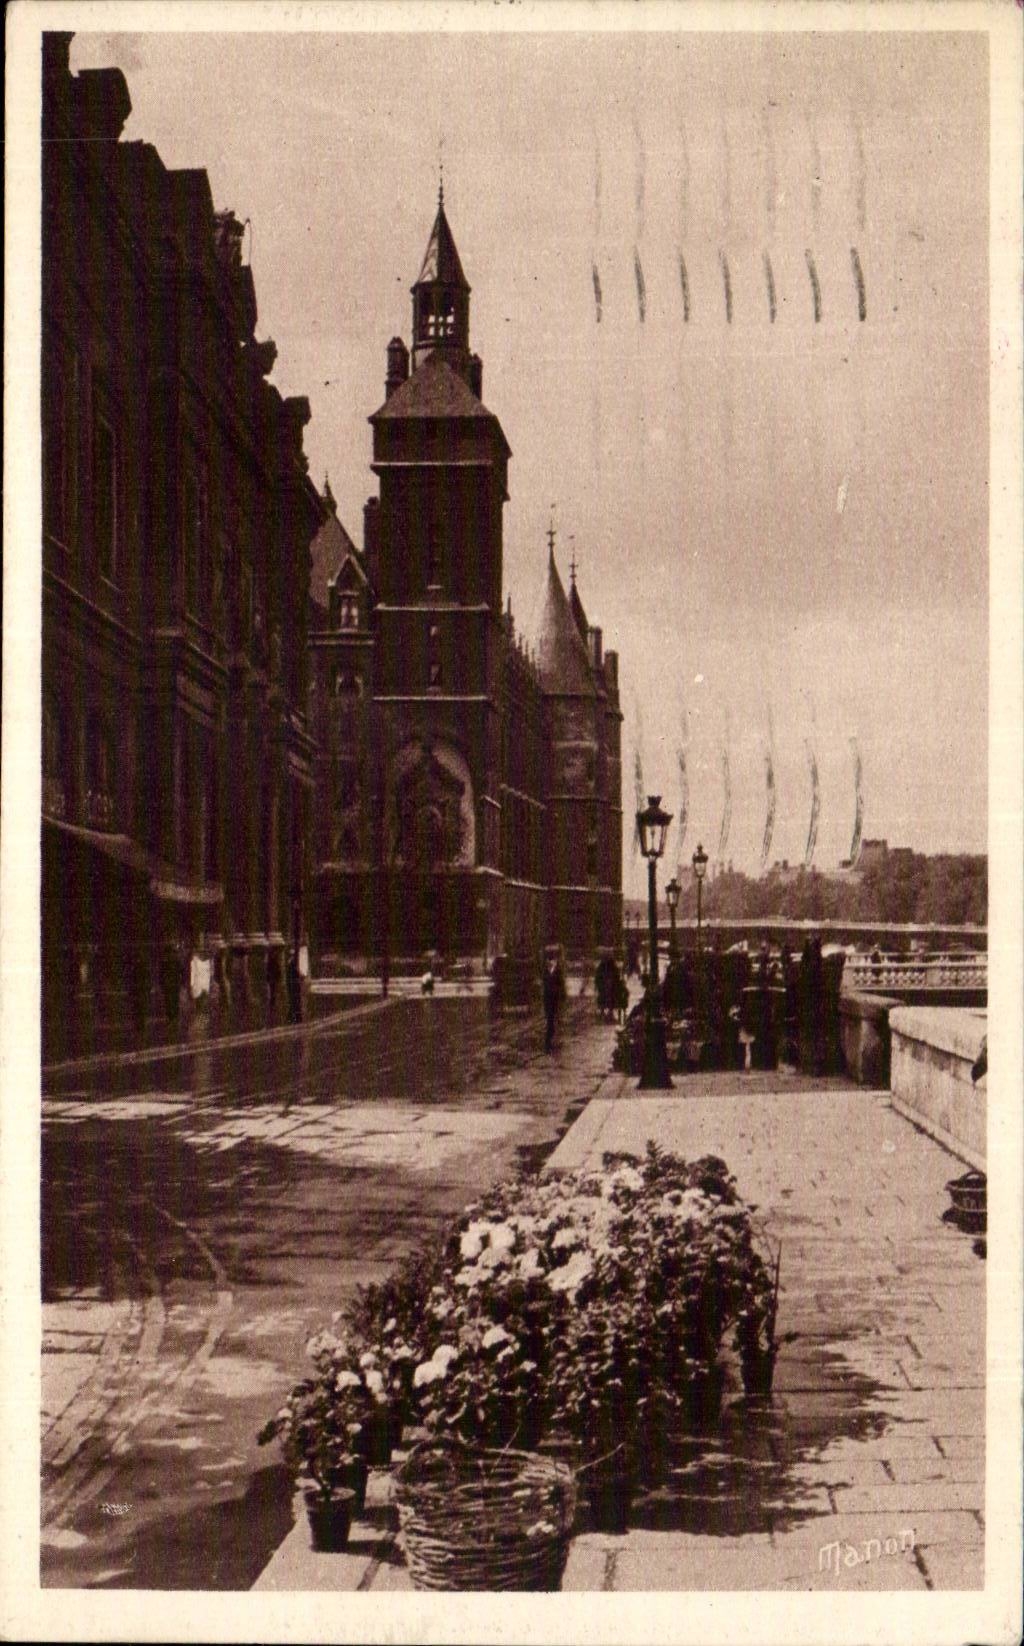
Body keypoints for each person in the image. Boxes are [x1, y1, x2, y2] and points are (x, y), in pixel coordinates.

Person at [542, 954, 565, 1053]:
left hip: (556, 999)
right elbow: (544, 984)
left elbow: (561, 985)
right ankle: (549, 1042)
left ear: (555, 962)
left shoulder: (558, 972)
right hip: (548, 1000)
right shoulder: (545, 972)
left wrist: (562, 997)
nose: (550, 963)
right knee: (550, 1020)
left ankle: (553, 1041)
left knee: (556, 1020)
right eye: (549, 961)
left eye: (552, 961)